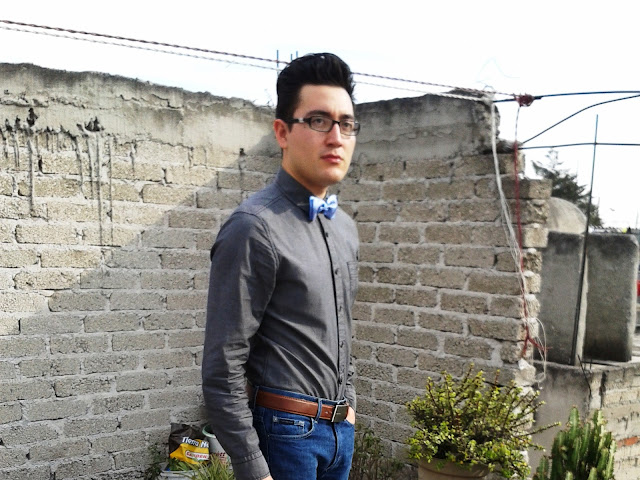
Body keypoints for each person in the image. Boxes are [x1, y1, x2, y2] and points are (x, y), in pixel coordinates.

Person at [202, 53, 360, 480]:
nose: (336, 137)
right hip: (286, 435)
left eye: (346, 124)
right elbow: (223, 363)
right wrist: (252, 466)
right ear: (282, 132)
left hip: (339, 434)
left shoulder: (344, 228)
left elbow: (341, 330)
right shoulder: (254, 227)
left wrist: (348, 405)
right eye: (319, 121)